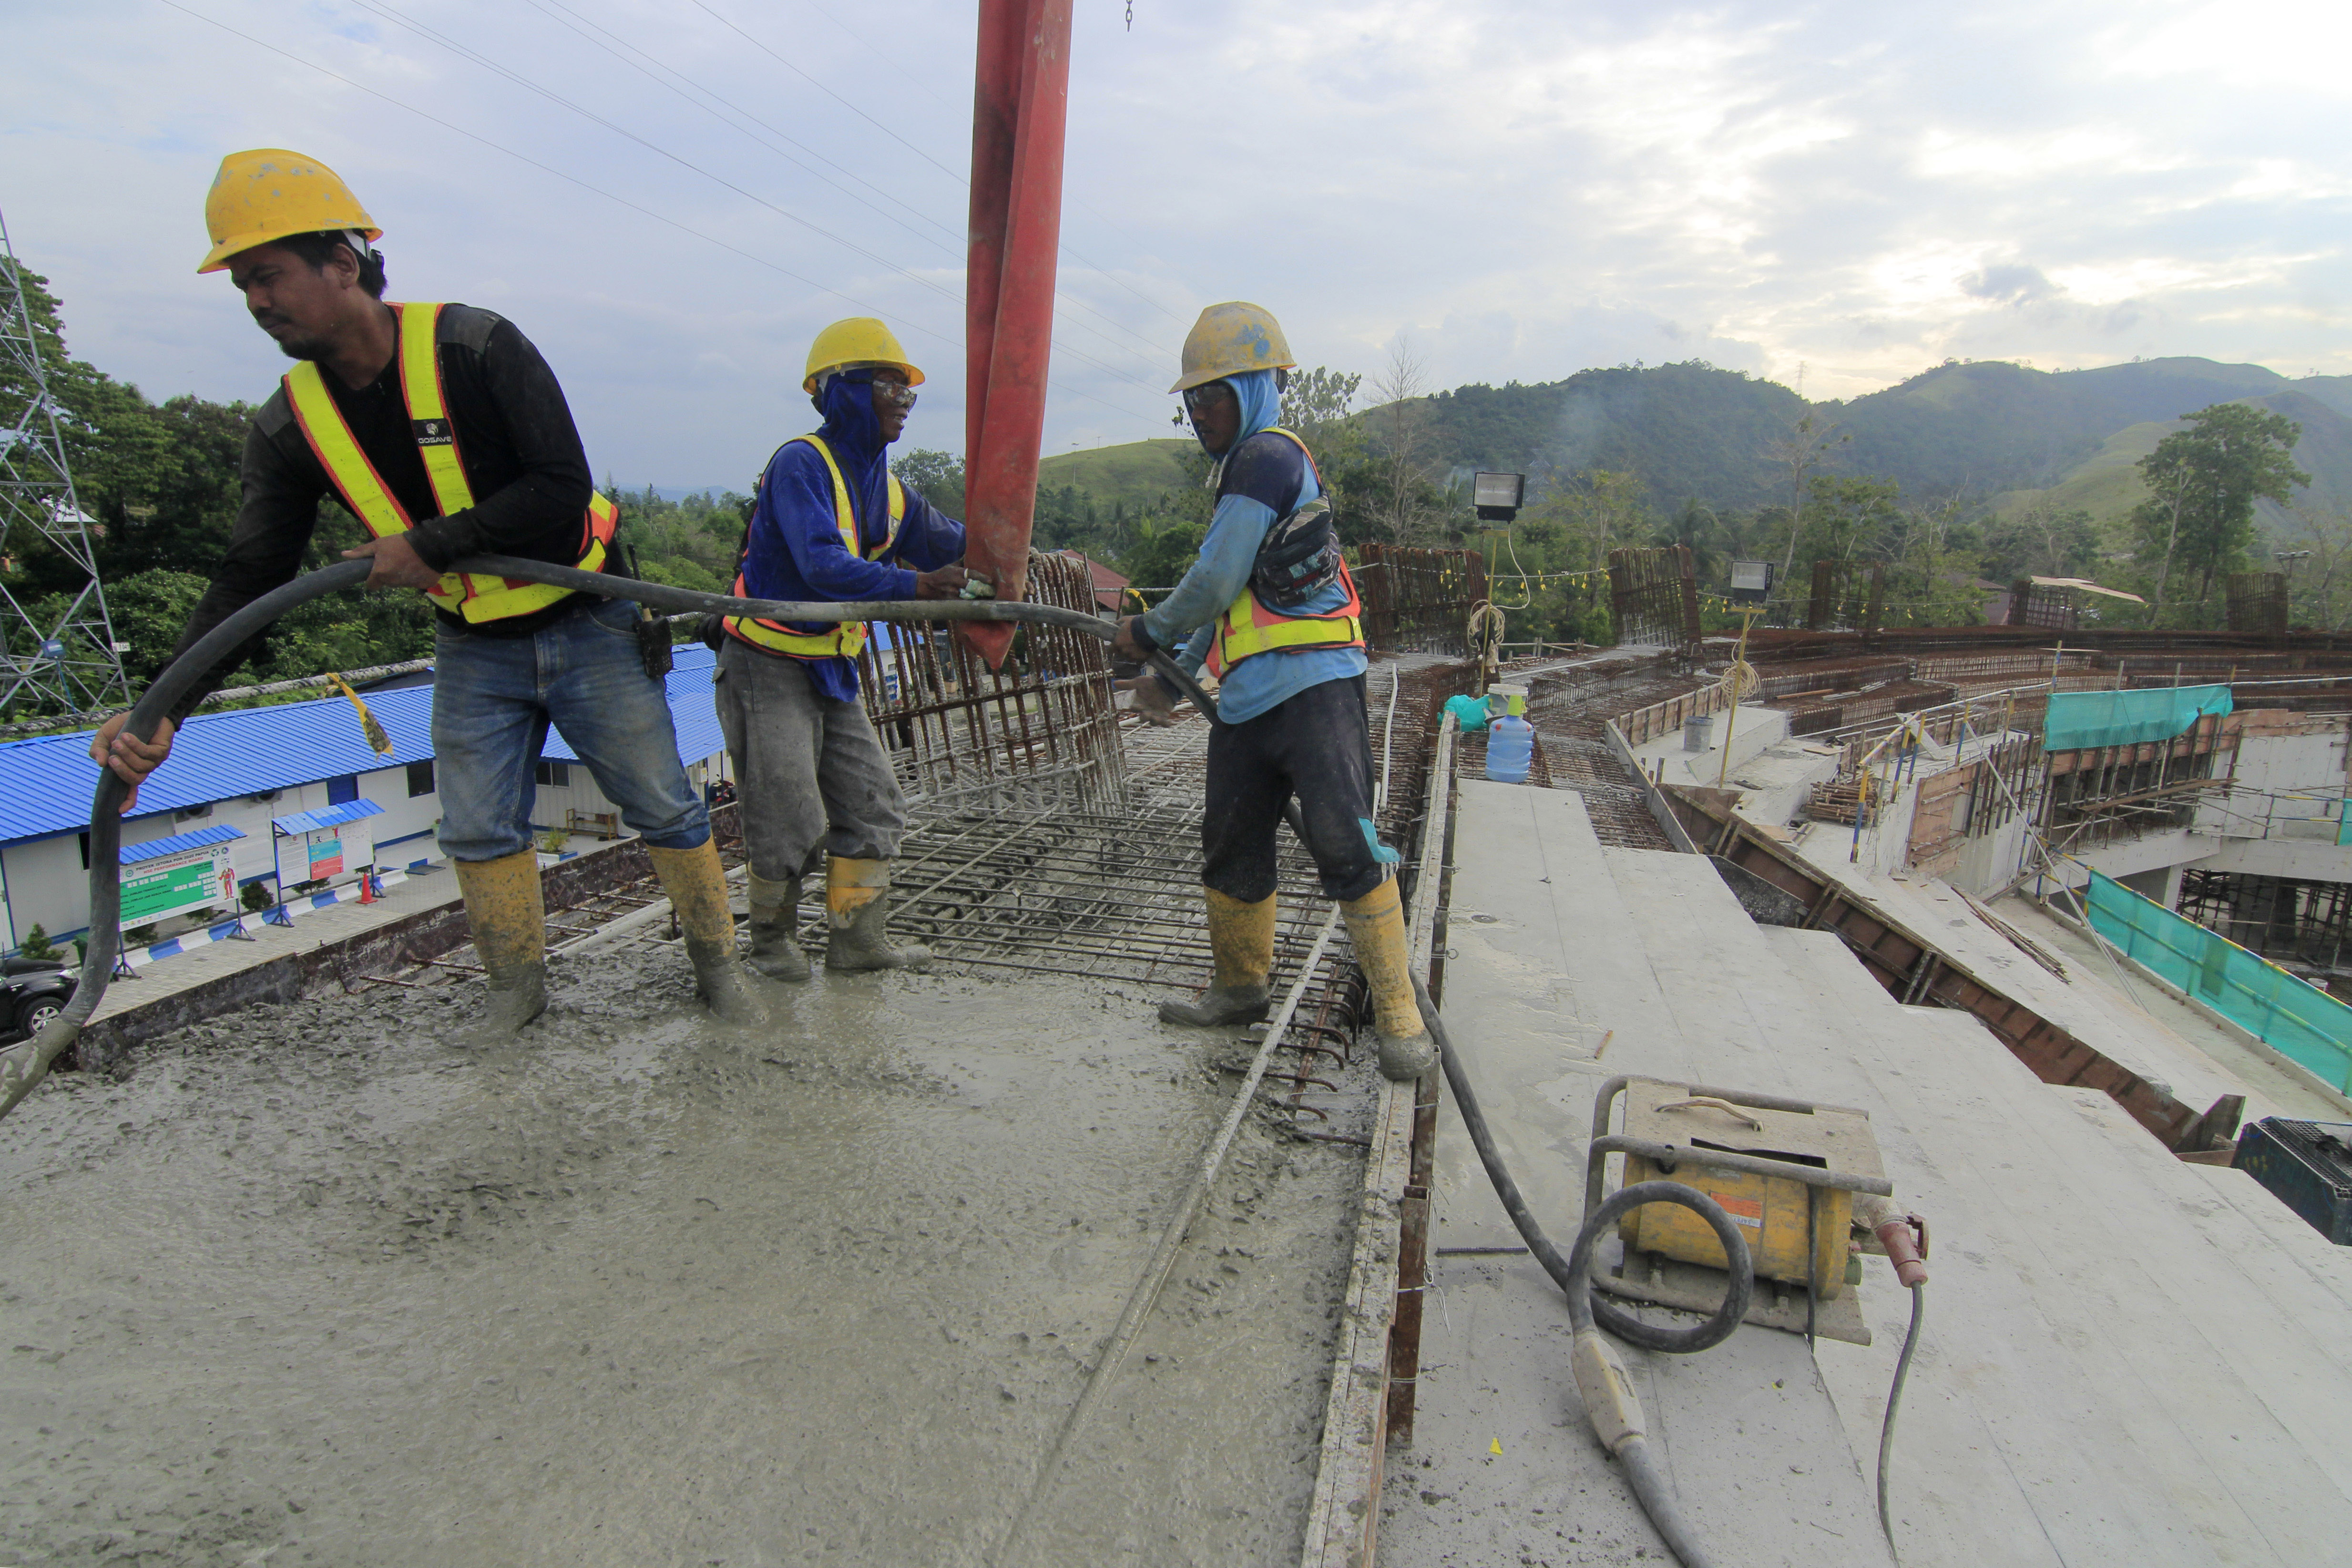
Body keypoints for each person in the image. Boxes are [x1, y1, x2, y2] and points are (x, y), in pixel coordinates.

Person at [90, 148, 762, 1037]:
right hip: (473, 642)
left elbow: (559, 486)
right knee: (479, 828)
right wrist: (165, 704)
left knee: (663, 803)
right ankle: (515, 993)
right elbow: (251, 578)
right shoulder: (290, 425)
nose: (256, 301)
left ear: (342, 262)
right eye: (243, 285)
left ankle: (719, 969)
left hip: (589, 618)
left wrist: (431, 544)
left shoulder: (476, 346)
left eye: (268, 275)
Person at [1111, 302, 1435, 1081]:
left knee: (1343, 841)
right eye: (1191, 400)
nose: (1199, 413)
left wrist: (1147, 634)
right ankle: (1239, 987)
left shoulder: (1266, 459)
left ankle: (1398, 1018)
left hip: (1317, 689)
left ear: (1256, 388)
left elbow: (1213, 579)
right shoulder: (1240, 478)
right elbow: (1229, 600)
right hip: (1250, 700)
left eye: (1213, 395)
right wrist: (1168, 679)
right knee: (1231, 841)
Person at [713, 318, 968, 980]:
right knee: (789, 812)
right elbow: (823, 565)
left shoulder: (886, 485)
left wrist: (1005, 546)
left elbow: (946, 541)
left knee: (873, 801)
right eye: (889, 387)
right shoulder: (801, 463)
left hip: (831, 666)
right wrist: (915, 586)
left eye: (908, 392)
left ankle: (857, 942)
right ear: (842, 392)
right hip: (766, 663)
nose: (901, 404)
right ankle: (771, 946)